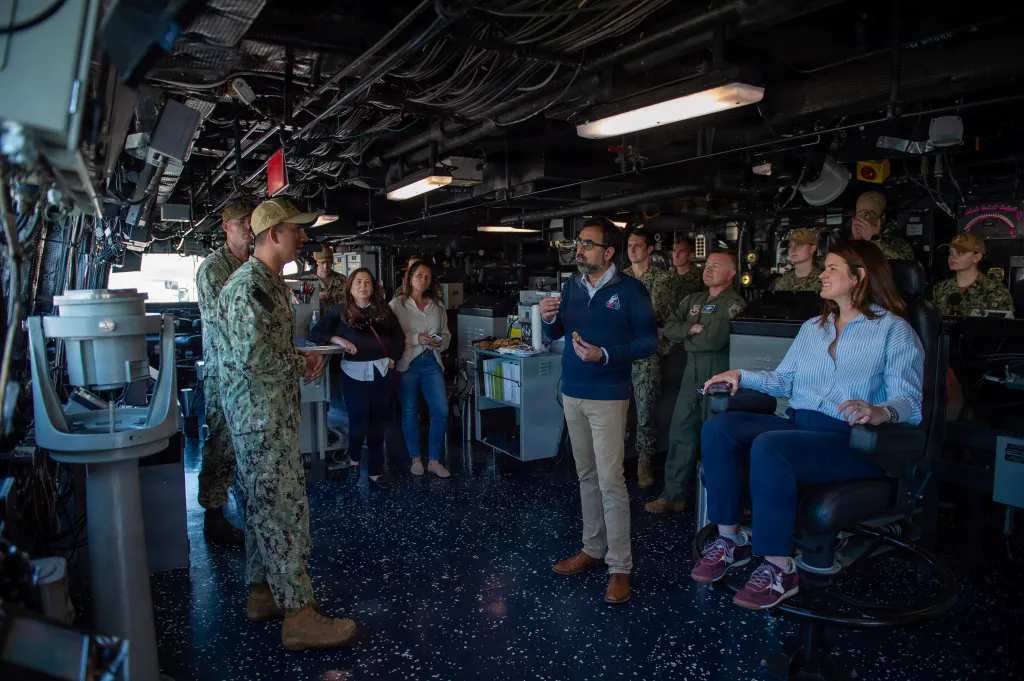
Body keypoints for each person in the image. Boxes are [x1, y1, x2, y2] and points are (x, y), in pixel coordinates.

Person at [692, 240, 924, 609]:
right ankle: (730, 540)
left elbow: (910, 402)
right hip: (800, 425)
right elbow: (784, 382)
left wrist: (881, 412)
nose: (823, 274)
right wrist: (740, 374)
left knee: (771, 446)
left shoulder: (893, 331)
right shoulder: (814, 327)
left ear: (859, 276)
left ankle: (778, 567)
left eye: (832, 268)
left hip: (851, 439)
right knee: (720, 428)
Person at [218, 198, 357, 650]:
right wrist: (298, 364)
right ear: (273, 234)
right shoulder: (247, 287)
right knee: (283, 511)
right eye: (296, 230)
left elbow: (267, 347)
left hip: (269, 414)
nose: (303, 237)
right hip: (260, 421)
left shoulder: (269, 283)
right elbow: (254, 357)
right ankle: (299, 615)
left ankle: (263, 594)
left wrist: (300, 359)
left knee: (262, 510)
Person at [540, 218, 658, 605]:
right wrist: (547, 318)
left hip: (608, 396)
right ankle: (592, 548)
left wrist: (605, 354)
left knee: (611, 482)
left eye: (588, 244)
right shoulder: (572, 286)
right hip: (572, 393)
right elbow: (557, 333)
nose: (580, 249)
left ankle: (620, 566)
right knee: (586, 476)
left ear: (609, 252)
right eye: (579, 243)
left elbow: (648, 342)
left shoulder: (631, 291)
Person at [646, 252, 746, 515]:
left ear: (732, 273)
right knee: (681, 432)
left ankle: (717, 503)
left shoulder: (733, 304)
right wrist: (692, 328)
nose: (708, 269)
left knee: (715, 438)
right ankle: (673, 495)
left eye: (716, 266)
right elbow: (669, 328)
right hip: (691, 372)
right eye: (707, 264)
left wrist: (687, 332)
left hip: (718, 371)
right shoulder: (694, 300)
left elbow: (714, 341)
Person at [309, 268, 405, 489]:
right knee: (358, 423)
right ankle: (353, 460)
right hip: (353, 374)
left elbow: (399, 337)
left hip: (381, 372)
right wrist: (338, 340)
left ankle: (375, 471)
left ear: (373, 287)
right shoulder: (340, 311)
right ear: (350, 288)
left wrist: (393, 359)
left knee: (377, 424)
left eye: (367, 282)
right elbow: (316, 334)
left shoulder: (383, 311)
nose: (363, 286)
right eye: (358, 282)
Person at [194, 202, 251, 546]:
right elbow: (222, 323)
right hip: (223, 371)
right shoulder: (214, 269)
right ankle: (213, 514)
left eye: (250, 222)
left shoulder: (252, 265)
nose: (248, 227)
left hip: (249, 370)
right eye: (241, 223)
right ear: (225, 227)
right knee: (221, 441)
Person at [622, 229, 675, 488]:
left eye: (638, 245)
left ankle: (644, 462)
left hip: (646, 352)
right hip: (621, 353)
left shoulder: (661, 278)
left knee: (645, 410)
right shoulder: (620, 278)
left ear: (649, 249)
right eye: (630, 245)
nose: (633, 250)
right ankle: (617, 460)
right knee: (618, 410)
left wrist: (623, 319)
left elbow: (652, 312)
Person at [390, 261, 452, 478]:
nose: (423, 280)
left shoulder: (437, 306)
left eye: (427, 277)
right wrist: (416, 338)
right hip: (409, 363)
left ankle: (434, 460)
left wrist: (440, 342)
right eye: (419, 275)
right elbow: (392, 335)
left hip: (432, 361)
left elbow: (446, 335)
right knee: (409, 411)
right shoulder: (397, 304)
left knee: (441, 411)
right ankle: (416, 459)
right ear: (409, 278)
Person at [930, 232, 1014, 316]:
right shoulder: (940, 288)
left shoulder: (995, 289)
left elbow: (1003, 326)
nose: (952, 256)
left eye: (960, 252)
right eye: (951, 252)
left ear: (977, 257)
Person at [851, 191, 915, 260]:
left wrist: (874, 240)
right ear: (853, 220)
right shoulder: (846, 245)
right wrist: (856, 242)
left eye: (868, 224)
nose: (862, 229)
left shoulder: (897, 244)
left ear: (882, 219)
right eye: (859, 222)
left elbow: (904, 264)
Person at [314, 245, 347, 316]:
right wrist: (315, 297)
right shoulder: (307, 281)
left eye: (329, 263)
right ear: (316, 262)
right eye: (322, 263)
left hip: (338, 321)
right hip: (316, 322)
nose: (325, 267)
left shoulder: (343, 279)